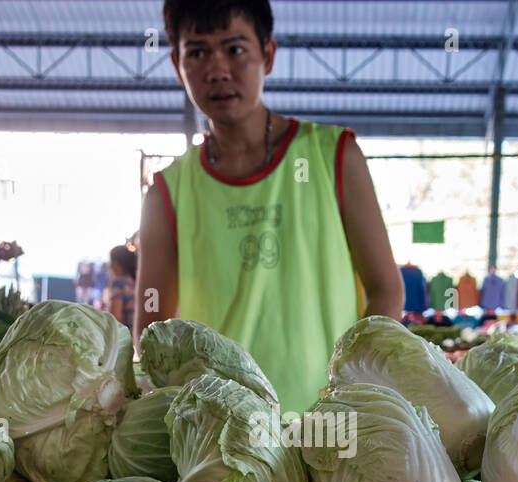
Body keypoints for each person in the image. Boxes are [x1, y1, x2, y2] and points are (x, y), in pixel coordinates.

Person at [137, 0, 403, 412]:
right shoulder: (166, 192)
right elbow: (152, 318)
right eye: (198, 52)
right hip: (217, 440)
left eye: (235, 48)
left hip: (329, 432)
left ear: (268, 55)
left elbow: (386, 289)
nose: (218, 69)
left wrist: (357, 395)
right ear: (177, 64)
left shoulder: (335, 156)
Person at [104, 244, 137, 329]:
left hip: (125, 335)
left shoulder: (119, 283)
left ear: (115, 263)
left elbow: (115, 318)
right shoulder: (133, 282)